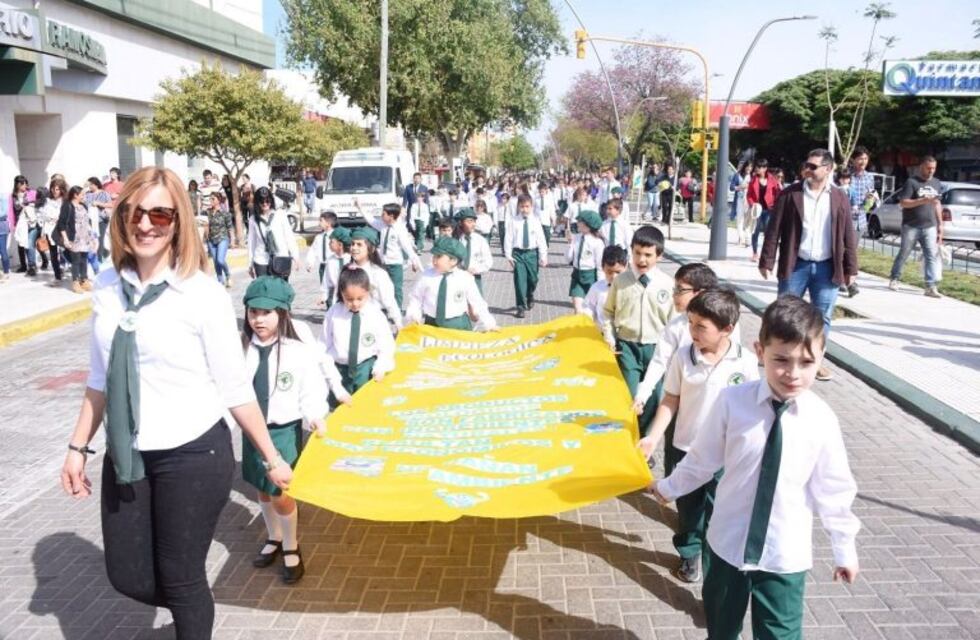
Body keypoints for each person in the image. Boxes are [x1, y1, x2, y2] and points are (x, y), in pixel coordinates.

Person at [59, 166, 292, 640]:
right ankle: (193, 603)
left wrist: (270, 455)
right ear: (121, 217)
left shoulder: (201, 292)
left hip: (193, 452)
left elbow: (234, 386)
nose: (146, 225)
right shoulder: (106, 286)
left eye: (160, 214)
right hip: (128, 451)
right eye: (135, 213)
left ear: (178, 222)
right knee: (127, 575)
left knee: (182, 577)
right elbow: (100, 376)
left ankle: (192, 613)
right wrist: (77, 447)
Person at [651, 295, 860, 640]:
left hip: (784, 555)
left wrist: (844, 548)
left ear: (821, 358)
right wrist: (668, 487)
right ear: (759, 351)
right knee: (721, 629)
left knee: (780, 635)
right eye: (781, 360)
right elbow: (702, 460)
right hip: (726, 547)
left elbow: (834, 490)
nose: (792, 373)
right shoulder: (733, 403)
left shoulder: (821, 420)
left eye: (806, 362)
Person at [638, 288, 759, 583]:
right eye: (691, 323)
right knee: (689, 510)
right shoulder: (683, 357)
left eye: (700, 326)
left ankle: (714, 565)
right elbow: (670, 400)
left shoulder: (744, 362)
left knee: (719, 513)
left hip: (725, 455)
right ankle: (689, 553)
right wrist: (653, 438)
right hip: (685, 449)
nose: (692, 331)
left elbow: (753, 409)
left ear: (727, 329)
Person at [241, 276, 328, 585]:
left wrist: (316, 415)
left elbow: (311, 390)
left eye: (266, 312)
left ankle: (292, 545)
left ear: (282, 314)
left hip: (283, 431)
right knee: (262, 487)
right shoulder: (240, 350)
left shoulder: (296, 351)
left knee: (281, 492)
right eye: (253, 312)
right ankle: (274, 537)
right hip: (252, 432)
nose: (258, 319)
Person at [759, 149, 857, 383]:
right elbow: (774, 229)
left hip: (826, 267)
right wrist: (767, 260)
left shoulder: (839, 197)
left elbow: (847, 234)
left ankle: (815, 361)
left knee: (822, 318)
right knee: (784, 315)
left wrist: (851, 268)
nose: (808, 170)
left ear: (828, 169)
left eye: (813, 166)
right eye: (806, 165)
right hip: (796, 265)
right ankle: (777, 356)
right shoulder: (790, 194)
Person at [602, 225, 675, 431]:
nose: (642, 259)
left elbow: (673, 321)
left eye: (648, 255)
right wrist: (609, 335)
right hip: (627, 347)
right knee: (631, 394)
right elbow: (608, 312)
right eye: (637, 253)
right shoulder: (621, 281)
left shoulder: (667, 285)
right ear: (631, 251)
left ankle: (644, 440)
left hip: (656, 348)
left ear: (658, 256)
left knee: (652, 397)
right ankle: (630, 437)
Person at [319, 266, 396, 405]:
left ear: (368, 292)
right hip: (340, 372)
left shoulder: (375, 314)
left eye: (360, 298)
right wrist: (335, 385)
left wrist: (381, 367)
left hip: (366, 370)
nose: (355, 303)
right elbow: (323, 347)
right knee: (339, 410)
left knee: (366, 407)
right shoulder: (334, 313)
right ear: (341, 293)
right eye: (349, 299)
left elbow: (386, 345)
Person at [405, 236, 497, 331]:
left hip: (458, 325)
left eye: (439, 256)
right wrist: (414, 316)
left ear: (453, 261)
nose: (434, 260)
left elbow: (478, 303)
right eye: (434, 256)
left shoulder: (465, 278)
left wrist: (489, 324)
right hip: (432, 325)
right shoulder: (426, 276)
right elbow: (416, 298)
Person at [888, 156, 944, 299]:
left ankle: (930, 286)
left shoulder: (936, 183)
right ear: (921, 167)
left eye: (933, 168)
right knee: (904, 253)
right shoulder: (911, 182)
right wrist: (922, 200)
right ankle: (894, 278)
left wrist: (940, 224)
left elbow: (937, 204)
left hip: (929, 226)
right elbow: (904, 203)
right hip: (911, 225)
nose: (931, 171)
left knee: (931, 255)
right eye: (928, 168)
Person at [357, 201, 422, 310]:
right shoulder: (383, 225)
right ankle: (383, 308)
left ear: (391, 216)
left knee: (396, 288)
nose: (381, 216)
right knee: (382, 287)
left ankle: (397, 310)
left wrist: (414, 262)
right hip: (383, 263)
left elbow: (407, 248)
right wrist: (360, 207)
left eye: (383, 214)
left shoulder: (400, 229)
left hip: (395, 264)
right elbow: (371, 220)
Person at [347, 226, 402, 332]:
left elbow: (389, 301)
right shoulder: (346, 270)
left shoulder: (378, 273)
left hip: (373, 322)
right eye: (352, 244)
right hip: (349, 320)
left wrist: (398, 322)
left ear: (371, 249)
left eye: (359, 244)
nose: (354, 248)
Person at [504, 194, 548, 319]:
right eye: (522, 206)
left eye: (527, 206)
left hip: (532, 254)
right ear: (518, 207)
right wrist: (508, 255)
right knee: (519, 281)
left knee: (533, 279)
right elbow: (508, 238)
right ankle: (520, 306)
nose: (524, 209)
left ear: (532, 207)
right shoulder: (514, 221)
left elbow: (541, 239)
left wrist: (543, 256)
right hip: (518, 254)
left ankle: (530, 294)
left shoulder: (535, 221)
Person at [249, 186, 301, 281]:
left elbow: (288, 236)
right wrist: (250, 264)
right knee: (264, 292)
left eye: (267, 201)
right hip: (261, 260)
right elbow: (252, 242)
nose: (265, 204)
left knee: (281, 291)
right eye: (262, 201)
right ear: (257, 203)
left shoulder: (280, 214)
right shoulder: (253, 220)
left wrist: (295, 256)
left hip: (281, 258)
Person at [56, 186, 96, 293]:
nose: (83, 196)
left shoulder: (83, 206)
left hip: (85, 236)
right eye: (82, 194)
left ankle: (84, 280)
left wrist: (92, 237)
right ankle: (75, 281)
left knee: (84, 259)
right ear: (75, 195)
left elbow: (88, 222)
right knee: (76, 260)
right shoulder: (67, 206)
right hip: (74, 237)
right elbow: (61, 224)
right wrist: (65, 239)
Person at [566, 210, 605, 314]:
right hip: (577, 276)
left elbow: (600, 265)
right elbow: (569, 258)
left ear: (588, 225)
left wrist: (601, 284)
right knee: (577, 309)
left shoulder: (597, 243)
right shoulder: (577, 238)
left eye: (580, 221)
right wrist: (570, 244)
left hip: (590, 277)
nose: (577, 223)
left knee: (590, 310)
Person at [581, 245, 628, 329]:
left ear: (625, 267)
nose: (614, 276)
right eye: (609, 272)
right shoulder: (597, 288)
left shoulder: (631, 288)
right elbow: (588, 306)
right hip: (603, 333)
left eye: (618, 272)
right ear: (603, 268)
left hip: (625, 336)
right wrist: (587, 318)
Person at [747, 159, 781, 262]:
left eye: (760, 167)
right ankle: (755, 253)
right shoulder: (753, 180)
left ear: (765, 168)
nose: (757, 169)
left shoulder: (772, 180)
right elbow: (749, 195)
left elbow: (777, 193)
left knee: (768, 232)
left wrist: (775, 205)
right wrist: (752, 204)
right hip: (757, 210)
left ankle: (766, 253)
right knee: (755, 231)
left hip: (768, 209)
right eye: (757, 167)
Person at [454, 208, 493, 295]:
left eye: (474, 221)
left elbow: (488, 261)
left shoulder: (480, 240)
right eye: (469, 221)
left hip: (475, 277)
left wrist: (476, 269)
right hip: (457, 277)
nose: (473, 224)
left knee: (477, 305)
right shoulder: (456, 240)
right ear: (461, 223)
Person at [203, 192, 234, 288]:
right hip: (211, 240)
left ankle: (228, 274)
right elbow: (204, 224)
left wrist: (232, 240)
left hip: (222, 238)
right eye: (210, 199)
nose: (211, 201)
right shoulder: (207, 212)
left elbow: (230, 228)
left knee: (220, 260)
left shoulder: (225, 213)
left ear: (218, 200)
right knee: (215, 261)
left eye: (213, 199)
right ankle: (220, 280)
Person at [305, 211, 337, 305]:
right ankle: (329, 309)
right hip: (323, 267)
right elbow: (313, 250)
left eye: (321, 221)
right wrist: (310, 263)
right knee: (325, 289)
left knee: (335, 289)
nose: (319, 223)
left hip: (333, 265)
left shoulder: (336, 236)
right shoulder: (319, 237)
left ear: (328, 223)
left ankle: (334, 309)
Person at [322, 227, 351, 308]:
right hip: (335, 295)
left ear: (340, 245)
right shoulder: (331, 260)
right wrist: (324, 295)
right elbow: (326, 279)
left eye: (332, 242)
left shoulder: (351, 259)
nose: (329, 244)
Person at [730, 162, 753, 247]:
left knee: (749, 221)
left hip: (749, 201)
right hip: (739, 200)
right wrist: (740, 187)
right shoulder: (737, 175)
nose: (749, 168)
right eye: (748, 166)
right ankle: (741, 238)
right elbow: (731, 187)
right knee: (740, 219)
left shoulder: (753, 176)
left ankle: (747, 239)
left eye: (751, 167)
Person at [535, 182, 557, 246]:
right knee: (538, 236)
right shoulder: (536, 199)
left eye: (543, 191)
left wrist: (553, 219)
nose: (541, 193)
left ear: (546, 191)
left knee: (547, 235)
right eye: (540, 191)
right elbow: (533, 210)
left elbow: (552, 210)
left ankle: (545, 246)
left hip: (546, 220)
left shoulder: (549, 199)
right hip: (538, 220)